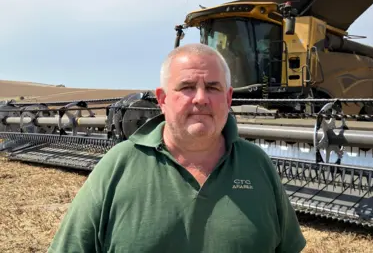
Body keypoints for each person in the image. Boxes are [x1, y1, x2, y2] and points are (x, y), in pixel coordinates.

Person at [48, 43, 306, 253]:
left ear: (228, 99)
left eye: (213, 88)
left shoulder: (257, 165)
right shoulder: (118, 167)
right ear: (162, 99)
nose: (201, 98)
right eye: (187, 87)